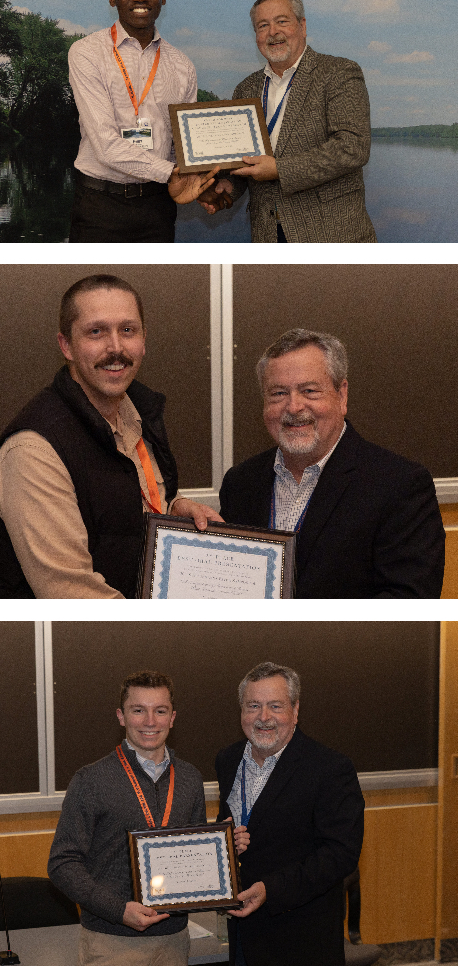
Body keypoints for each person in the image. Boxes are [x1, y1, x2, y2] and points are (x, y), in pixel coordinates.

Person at [0, 274, 222, 598]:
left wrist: (171, 512)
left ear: (143, 340)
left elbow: (117, 511)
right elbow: (72, 594)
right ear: (66, 345)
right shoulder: (33, 451)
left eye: (128, 330)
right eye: (96, 332)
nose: (116, 348)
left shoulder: (139, 417)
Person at [219, 328, 445, 597]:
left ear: (342, 395)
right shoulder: (240, 483)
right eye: (278, 393)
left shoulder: (400, 485)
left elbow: (407, 603)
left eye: (310, 391)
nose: (293, 407)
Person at [48, 671, 226, 965]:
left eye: (160, 711)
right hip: (111, 942)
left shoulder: (190, 778)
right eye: (138, 710)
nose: (150, 721)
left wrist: (224, 847)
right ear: (121, 716)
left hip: (175, 941)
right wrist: (118, 910)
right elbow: (62, 863)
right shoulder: (90, 781)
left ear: (172, 717)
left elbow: (193, 853)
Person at [199, 0, 376, 242]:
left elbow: (352, 147)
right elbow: (245, 158)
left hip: (332, 237)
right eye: (263, 25)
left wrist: (279, 169)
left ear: (302, 26)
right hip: (268, 235)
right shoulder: (245, 89)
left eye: (282, 21)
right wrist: (231, 185)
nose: (272, 32)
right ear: (256, 36)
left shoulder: (339, 73)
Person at [216, 663, 364, 965]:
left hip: (300, 940)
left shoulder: (330, 769)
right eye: (253, 706)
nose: (264, 717)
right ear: (241, 711)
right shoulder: (228, 760)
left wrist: (271, 890)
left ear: (295, 711)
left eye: (276, 706)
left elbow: (341, 854)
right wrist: (223, 841)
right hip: (241, 935)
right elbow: (235, 828)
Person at [66, 0, 219, 243]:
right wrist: (173, 173)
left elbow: (184, 145)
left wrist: (201, 179)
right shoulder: (86, 53)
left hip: (157, 206)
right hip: (100, 205)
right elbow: (106, 146)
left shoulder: (182, 65)